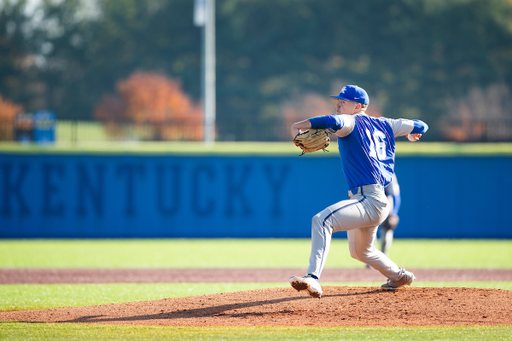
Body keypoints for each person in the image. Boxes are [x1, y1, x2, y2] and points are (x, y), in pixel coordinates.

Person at [289, 85, 428, 298]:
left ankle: (313, 278)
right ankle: (400, 277)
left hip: (368, 199)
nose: (338, 104)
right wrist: (413, 132)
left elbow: (331, 121)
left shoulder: (350, 121)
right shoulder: (387, 124)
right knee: (360, 251)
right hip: (376, 200)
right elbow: (422, 125)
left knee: (322, 220)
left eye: (343, 102)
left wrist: (298, 125)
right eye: (339, 101)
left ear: (358, 106)